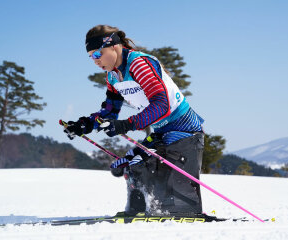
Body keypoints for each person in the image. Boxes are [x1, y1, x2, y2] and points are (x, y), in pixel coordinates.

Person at [64, 25, 205, 216]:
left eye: (97, 54)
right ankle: (140, 209)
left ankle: (176, 209)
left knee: (145, 164)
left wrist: (126, 125)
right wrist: (85, 125)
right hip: (162, 133)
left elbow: (161, 105)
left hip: (185, 132)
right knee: (127, 164)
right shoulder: (113, 76)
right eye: (90, 56)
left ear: (113, 46)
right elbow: (109, 110)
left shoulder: (138, 64)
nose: (95, 61)